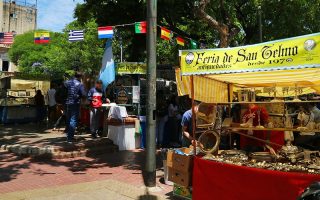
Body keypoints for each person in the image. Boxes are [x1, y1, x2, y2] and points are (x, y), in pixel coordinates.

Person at [64, 72, 86, 143]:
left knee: (68, 119)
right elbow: (83, 94)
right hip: (75, 103)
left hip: (68, 102)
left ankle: (68, 135)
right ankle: (70, 138)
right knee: (73, 120)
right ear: (80, 77)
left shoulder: (67, 82)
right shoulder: (79, 84)